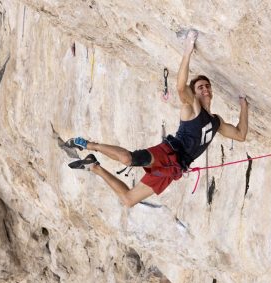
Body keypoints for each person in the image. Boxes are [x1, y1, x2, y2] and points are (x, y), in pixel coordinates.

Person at [66, 30, 248, 208]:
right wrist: (187, 51)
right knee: (127, 159)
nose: (205, 89)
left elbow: (240, 135)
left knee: (129, 200)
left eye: (207, 86)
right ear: (194, 93)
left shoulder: (217, 122)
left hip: (174, 168)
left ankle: (94, 166)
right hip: (167, 153)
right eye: (200, 87)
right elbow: (179, 87)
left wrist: (244, 105)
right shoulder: (192, 107)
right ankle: (90, 145)